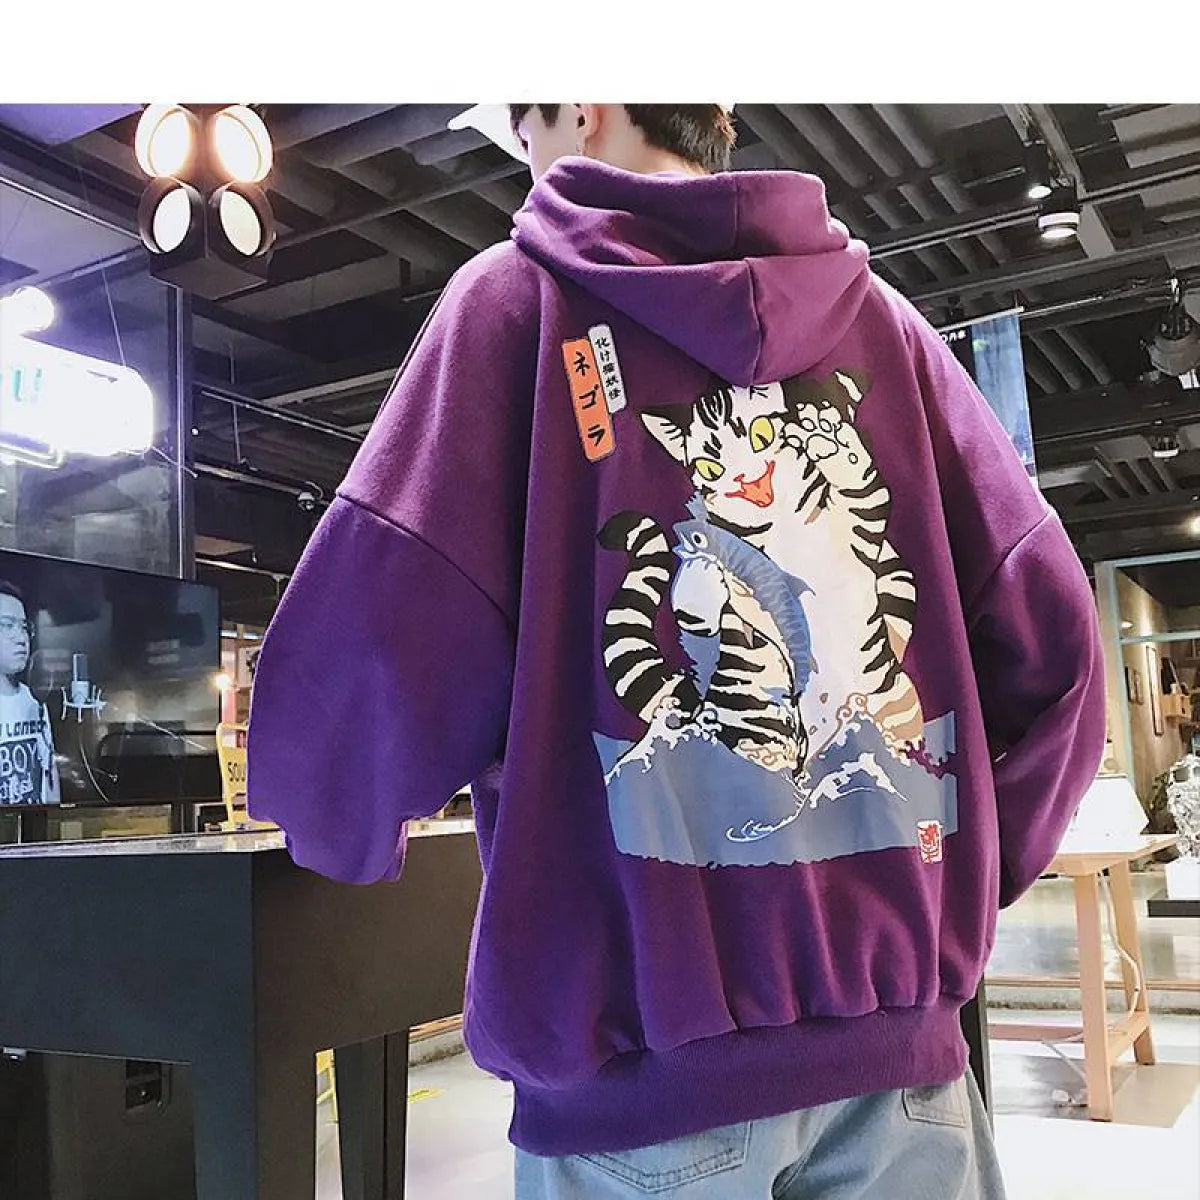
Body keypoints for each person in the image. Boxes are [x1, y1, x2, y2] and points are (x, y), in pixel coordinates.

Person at [247, 104, 1106, 1198]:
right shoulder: (888, 328)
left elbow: (384, 628)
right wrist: (962, 872)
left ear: (582, 101)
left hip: (641, 1093)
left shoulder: (518, 301)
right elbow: (1060, 639)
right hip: (904, 1073)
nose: (525, 157)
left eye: (521, 126)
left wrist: (334, 818)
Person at [0, 581, 60, 806]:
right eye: (7, 625)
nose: (21, 638)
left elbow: (49, 773)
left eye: (24, 627)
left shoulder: (35, 701)